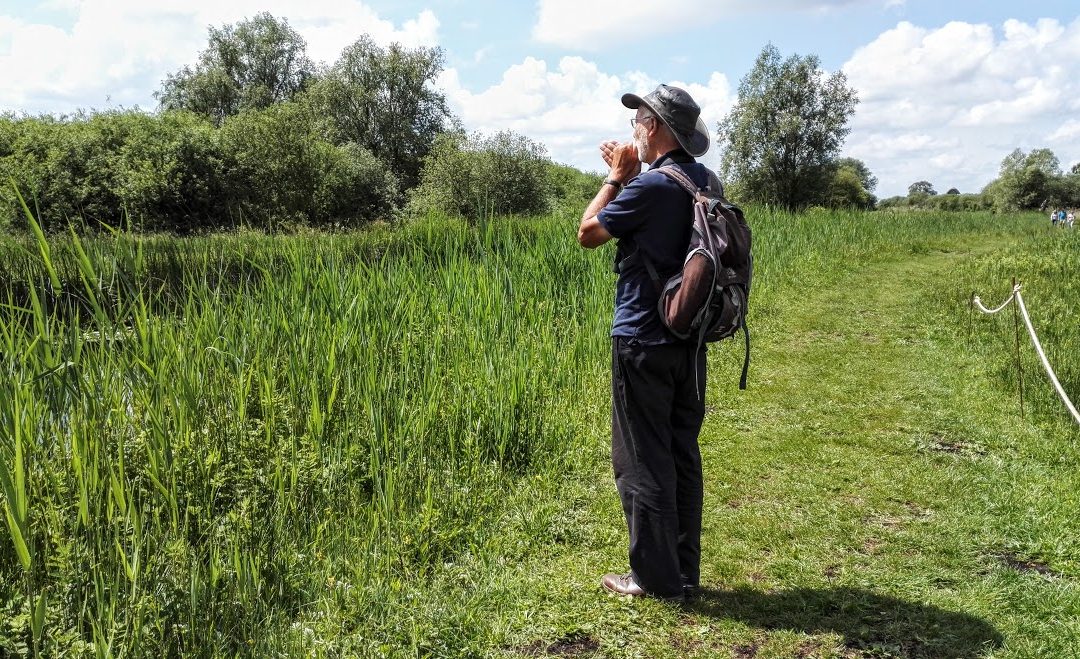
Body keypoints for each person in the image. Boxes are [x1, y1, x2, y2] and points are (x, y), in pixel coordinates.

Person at [577, 84, 719, 603]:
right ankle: (682, 571)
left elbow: (588, 232)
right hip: (690, 336)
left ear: (655, 127)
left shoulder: (650, 186)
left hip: (641, 335)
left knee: (641, 458)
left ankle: (653, 581)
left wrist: (617, 178)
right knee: (681, 452)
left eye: (639, 117)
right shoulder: (707, 180)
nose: (633, 125)